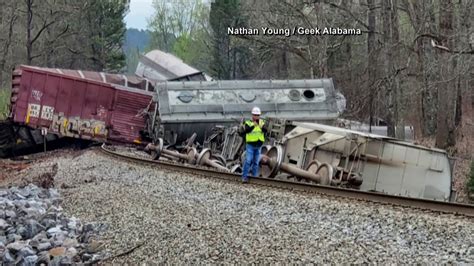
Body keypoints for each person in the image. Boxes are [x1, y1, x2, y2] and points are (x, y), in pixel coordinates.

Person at [240, 106, 267, 183]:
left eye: (258, 115)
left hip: (258, 145)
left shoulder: (262, 122)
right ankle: (244, 177)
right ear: (252, 115)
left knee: (256, 162)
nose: (256, 117)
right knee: (248, 161)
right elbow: (246, 130)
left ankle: (254, 178)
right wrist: (253, 125)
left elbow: (266, 130)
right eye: (255, 115)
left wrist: (261, 127)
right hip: (250, 145)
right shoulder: (248, 123)